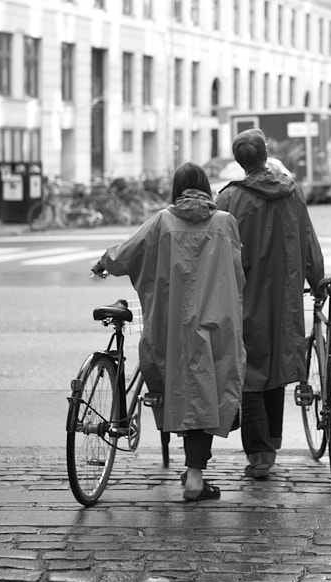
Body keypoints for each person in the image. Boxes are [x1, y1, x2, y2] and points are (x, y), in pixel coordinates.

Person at [91, 163, 246, 502]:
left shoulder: (163, 221)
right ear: (206, 189)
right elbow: (237, 276)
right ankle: (194, 474)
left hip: (171, 324)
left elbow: (130, 251)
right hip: (216, 323)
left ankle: (191, 470)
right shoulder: (225, 224)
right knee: (210, 389)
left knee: (179, 386)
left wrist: (105, 261)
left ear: (177, 189)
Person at [216, 128, 325, 480]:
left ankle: (259, 454)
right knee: (276, 369)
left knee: (248, 373)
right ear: (266, 154)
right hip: (285, 299)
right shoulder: (291, 193)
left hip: (244, 298)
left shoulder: (231, 198)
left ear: (240, 162)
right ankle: (272, 445)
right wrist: (317, 282)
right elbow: (309, 241)